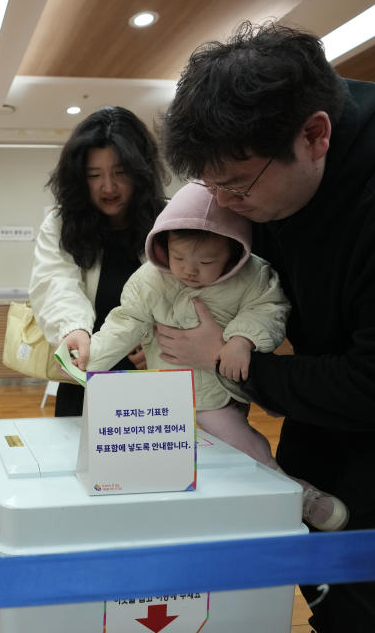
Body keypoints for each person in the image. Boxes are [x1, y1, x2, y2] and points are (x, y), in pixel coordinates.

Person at [159, 22, 375, 632]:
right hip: (330, 420)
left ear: (315, 134)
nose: (224, 200)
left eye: (236, 183)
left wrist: (231, 361)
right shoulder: (268, 182)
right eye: (209, 185)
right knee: (322, 583)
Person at [77, 182, 346, 531]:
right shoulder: (151, 280)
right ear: (162, 248)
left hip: (215, 398)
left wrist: (241, 339)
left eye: (205, 261)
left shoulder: (254, 276)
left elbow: (269, 307)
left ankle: (296, 494)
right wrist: (90, 357)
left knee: (242, 446)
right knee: (151, 466)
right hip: (163, 396)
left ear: (233, 253)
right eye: (178, 258)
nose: (189, 271)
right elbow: (124, 322)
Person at [29, 106, 167, 416]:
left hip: (157, 379)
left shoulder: (168, 222)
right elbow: (54, 283)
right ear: (79, 177)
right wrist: (72, 329)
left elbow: (191, 289)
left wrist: (160, 342)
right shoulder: (61, 224)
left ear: (141, 171)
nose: (108, 186)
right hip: (85, 375)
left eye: (120, 173)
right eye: (94, 175)